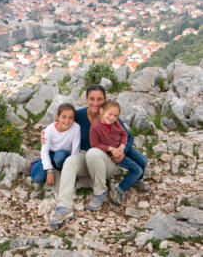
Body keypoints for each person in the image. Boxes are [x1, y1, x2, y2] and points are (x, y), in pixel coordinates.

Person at [46, 84, 149, 226]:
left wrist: (120, 152)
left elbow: (128, 137)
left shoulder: (110, 116)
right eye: (92, 99)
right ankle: (64, 207)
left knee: (94, 153)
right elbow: (63, 122)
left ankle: (100, 193)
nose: (95, 102)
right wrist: (44, 130)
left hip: (108, 161)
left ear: (104, 100)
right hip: (86, 158)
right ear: (86, 99)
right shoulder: (79, 115)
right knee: (70, 161)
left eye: (99, 99)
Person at [89, 100, 148, 206]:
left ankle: (136, 181)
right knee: (137, 170)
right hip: (113, 154)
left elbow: (124, 134)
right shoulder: (95, 127)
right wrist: (111, 149)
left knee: (143, 161)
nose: (112, 118)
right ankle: (118, 190)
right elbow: (95, 144)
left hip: (122, 148)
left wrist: (122, 147)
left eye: (115, 115)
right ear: (102, 111)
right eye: (110, 114)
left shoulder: (116, 122)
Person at [31, 103, 81, 187]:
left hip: (64, 155)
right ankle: (37, 162)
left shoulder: (76, 128)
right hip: (50, 153)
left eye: (71, 118)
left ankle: (60, 168)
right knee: (37, 178)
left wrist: (67, 169)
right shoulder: (49, 129)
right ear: (58, 117)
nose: (67, 121)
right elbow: (44, 151)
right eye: (64, 117)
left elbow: (75, 151)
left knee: (59, 156)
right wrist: (49, 171)